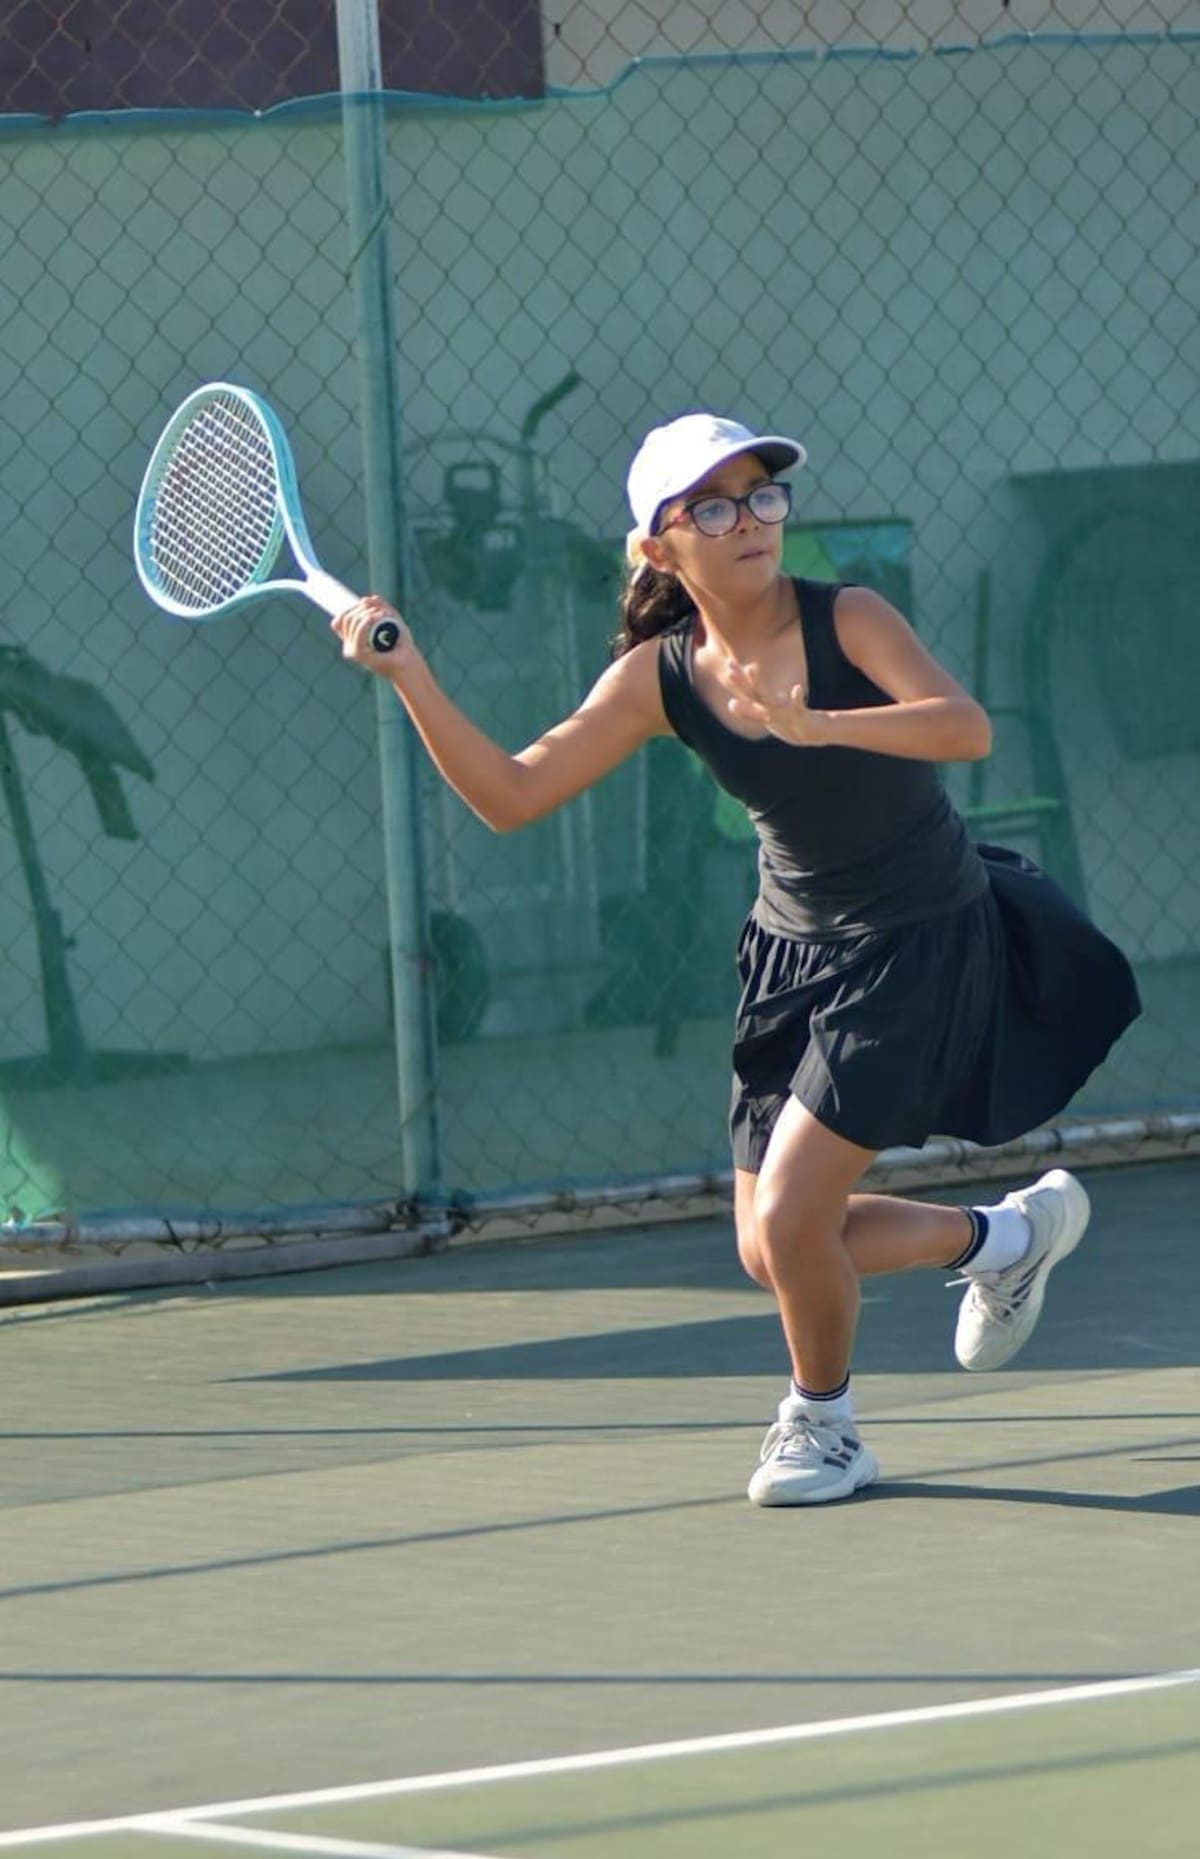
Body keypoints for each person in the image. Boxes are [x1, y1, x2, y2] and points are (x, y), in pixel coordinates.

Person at [333, 412, 1141, 1509]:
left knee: (796, 1215)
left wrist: (820, 727)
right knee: (773, 1249)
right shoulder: (656, 677)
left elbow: (964, 728)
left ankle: (826, 1422)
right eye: (712, 505)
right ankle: (1003, 1237)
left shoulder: (848, 615)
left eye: (762, 494)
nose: (750, 519)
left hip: (918, 937)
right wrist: (412, 674)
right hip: (789, 953)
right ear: (659, 548)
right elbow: (512, 795)